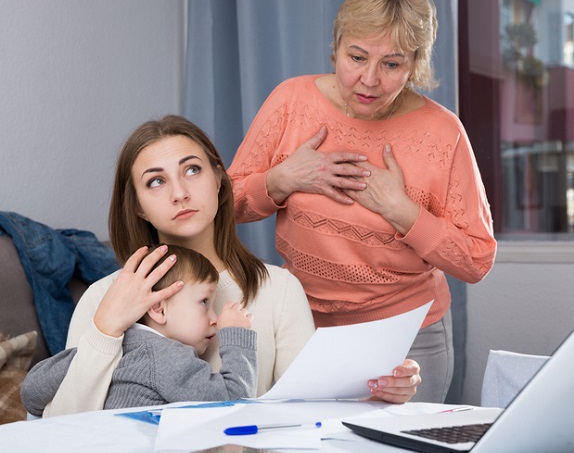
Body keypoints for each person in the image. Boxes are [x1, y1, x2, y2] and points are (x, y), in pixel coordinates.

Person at [41, 115, 421, 418]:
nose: (179, 193)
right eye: (156, 181)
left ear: (220, 180)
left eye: (192, 170)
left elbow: (309, 412)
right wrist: (107, 328)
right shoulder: (104, 298)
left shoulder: (278, 289)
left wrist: (378, 393)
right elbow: (60, 430)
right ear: (138, 206)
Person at [228, 0, 497, 403]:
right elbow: (225, 206)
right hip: (303, 326)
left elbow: (477, 259)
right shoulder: (290, 102)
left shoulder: (443, 133)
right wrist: (281, 179)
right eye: (356, 57)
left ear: (415, 66)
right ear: (336, 47)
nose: (368, 80)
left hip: (408, 337)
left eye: (391, 64)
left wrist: (403, 212)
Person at [21, 245, 257, 416]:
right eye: (204, 303)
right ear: (158, 309)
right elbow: (234, 401)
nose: (215, 319)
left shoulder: (108, 346)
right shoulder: (167, 357)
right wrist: (236, 336)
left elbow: (31, 393)